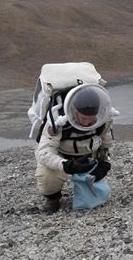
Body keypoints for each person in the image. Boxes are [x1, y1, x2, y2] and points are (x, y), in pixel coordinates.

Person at [35, 84, 114, 213]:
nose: (88, 123)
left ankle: (89, 186)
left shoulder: (103, 119)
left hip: (88, 157)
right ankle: (53, 198)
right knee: (47, 175)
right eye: (83, 118)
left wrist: (104, 162)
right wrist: (66, 166)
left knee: (99, 189)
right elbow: (43, 153)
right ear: (74, 111)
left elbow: (106, 143)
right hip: (62, 158)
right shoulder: (57, 121)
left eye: (91, 119)